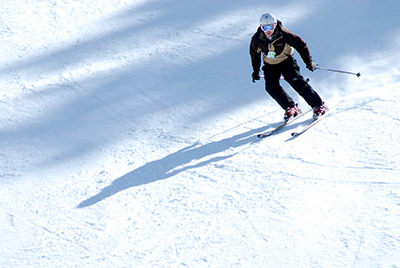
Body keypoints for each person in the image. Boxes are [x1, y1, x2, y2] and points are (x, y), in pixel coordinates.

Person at [250, 12, 326, 121]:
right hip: (270, 65)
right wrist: (256, 71)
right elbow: (254, 54)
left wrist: (309, 62)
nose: (268, 30)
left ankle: (318, 105)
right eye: (265, 27)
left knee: (297, 82)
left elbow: (301, 45)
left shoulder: (284, 34)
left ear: (275, 24)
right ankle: (290, 107)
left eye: (270, 26)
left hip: (286, 62)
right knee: (271, 87)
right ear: (261, 27)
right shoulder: (257, 39)